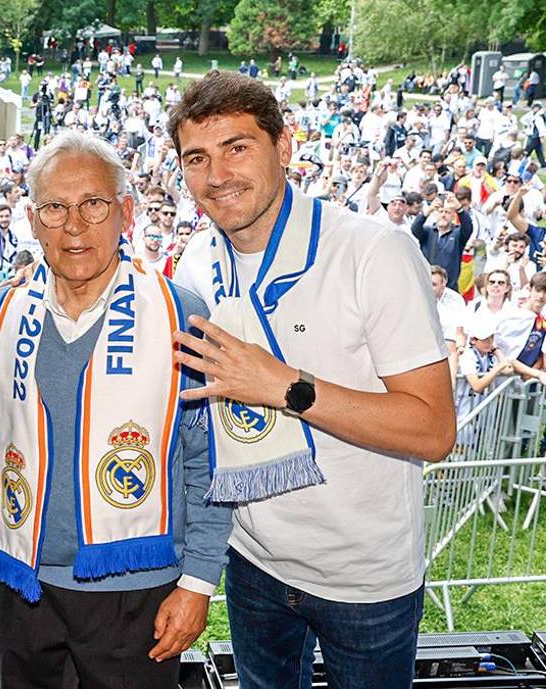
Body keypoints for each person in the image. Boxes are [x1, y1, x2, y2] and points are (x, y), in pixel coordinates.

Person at [169, 71, 455, 689]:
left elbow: (433, 430)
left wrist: (287, 386)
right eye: (198, 158)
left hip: (365, 578)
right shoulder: (196, 260)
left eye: (237, 147)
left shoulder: (374, 252)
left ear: (285, 146)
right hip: (254, 563)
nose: (217, 175)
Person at [0, 131, 231, 688]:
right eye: (55, 207)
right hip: (25, 584)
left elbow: (207, 461)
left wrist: (197, 584)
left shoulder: (178, 314)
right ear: (32, 217)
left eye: (93, 204)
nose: (73, 226)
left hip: (138, 587)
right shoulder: (4, 310)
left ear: (125, 212)